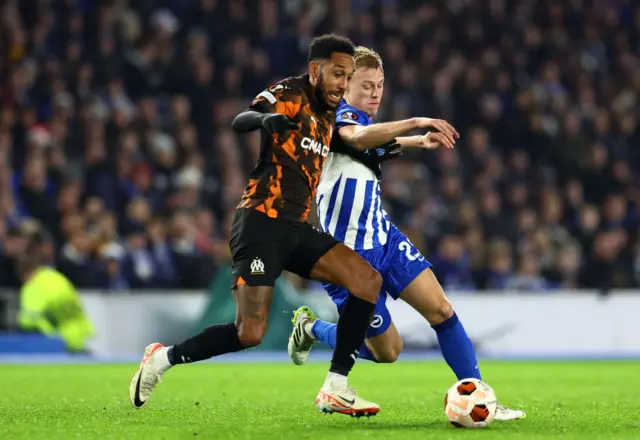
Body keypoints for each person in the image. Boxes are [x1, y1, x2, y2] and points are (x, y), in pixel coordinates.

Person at [128, 35, 453, 417]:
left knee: (367, 281)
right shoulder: (289, 92)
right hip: (260, 223)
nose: (341, 84)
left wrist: (414, 140)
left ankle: (336, 385)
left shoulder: (332, 115)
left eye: (347, 76)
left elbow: (362, 145)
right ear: (315, 70)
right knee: (249, 333)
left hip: (296, 228)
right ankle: (162, 358)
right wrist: (267, 120)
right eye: (337, 74)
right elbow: (241, 119)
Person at [287, 47, 525, 421]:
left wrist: (417, 142)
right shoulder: (334, 117)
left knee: (442, 311)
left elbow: (370, 146)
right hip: (347, 259)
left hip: (386, 240)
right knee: (387, 351)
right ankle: (311, 328)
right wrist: (415, 122)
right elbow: (357, 139)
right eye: (366, 85)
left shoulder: (364, 124)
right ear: (346, 85)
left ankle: (482, 398)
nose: (375, 93)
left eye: (380, 85)